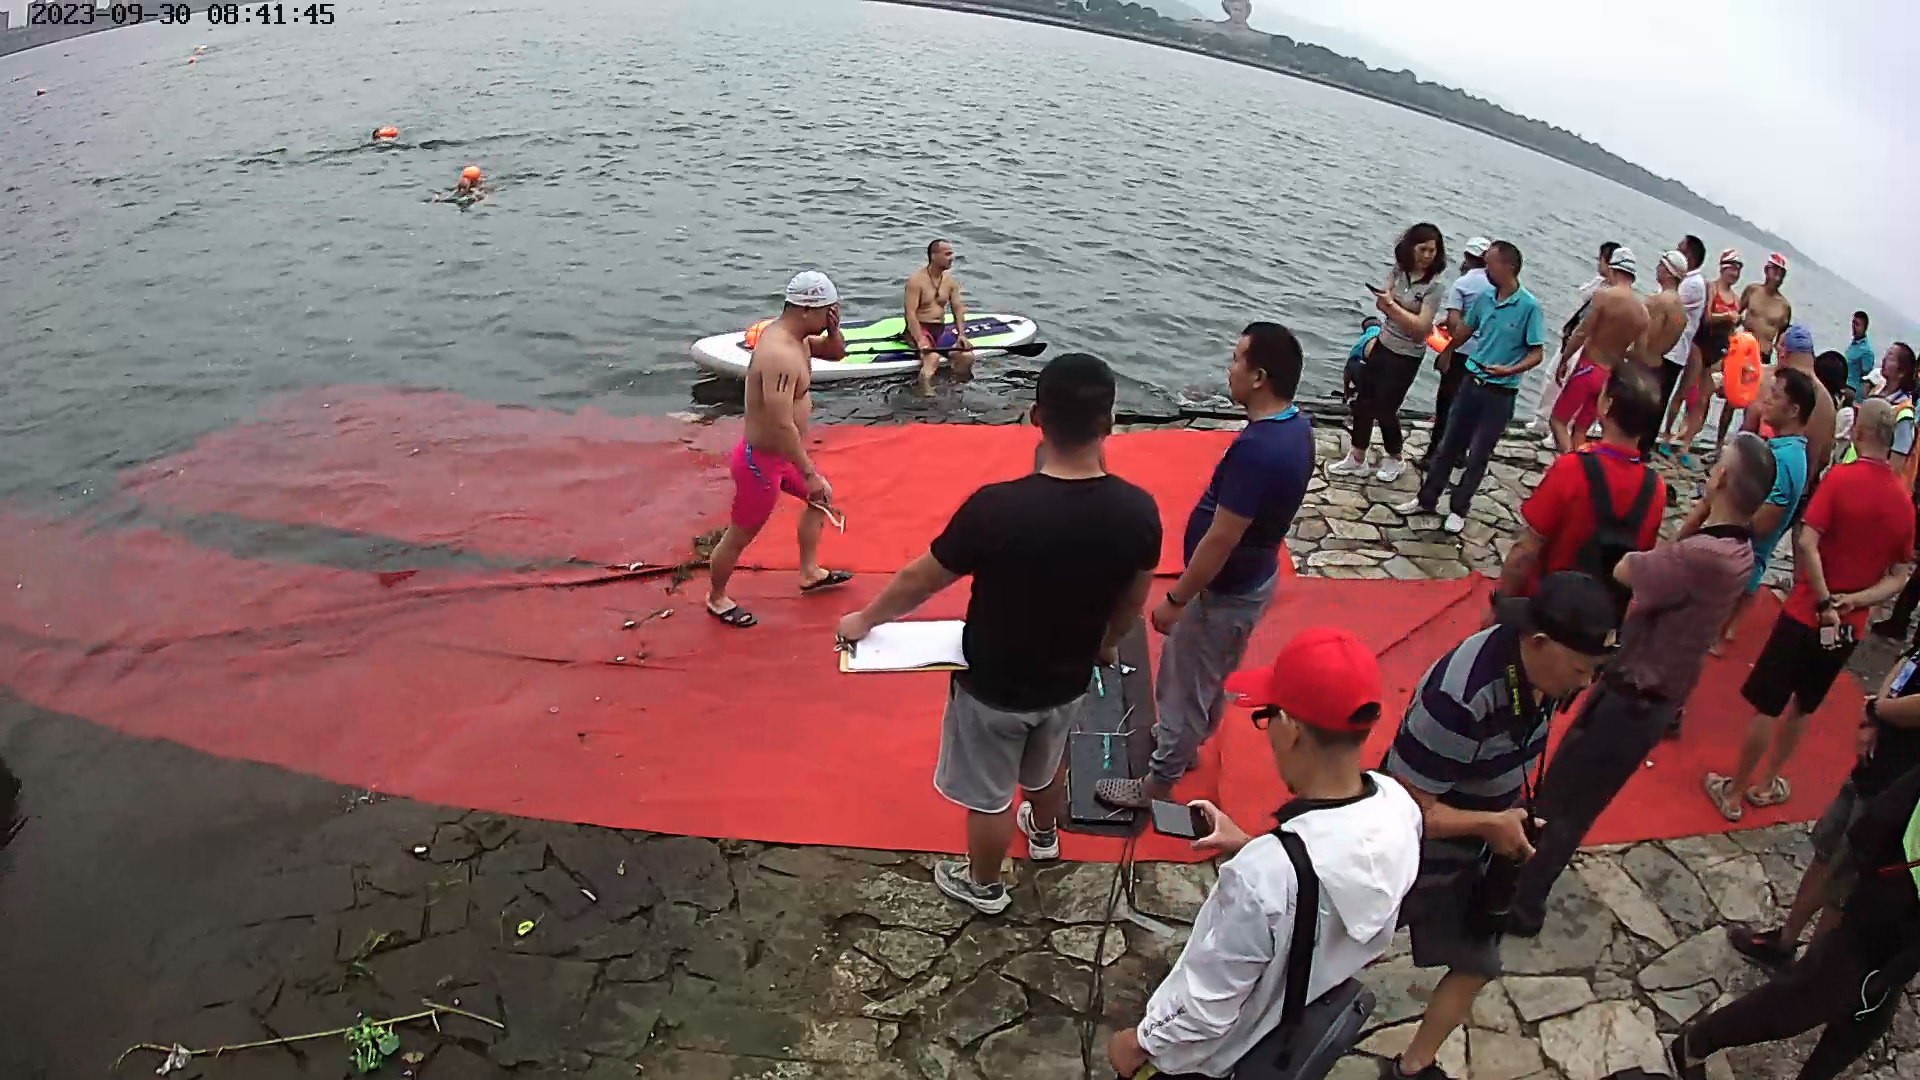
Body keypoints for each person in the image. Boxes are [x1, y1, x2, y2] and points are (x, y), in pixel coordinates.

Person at [834, 354, 1162, 914]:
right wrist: (1106, 643)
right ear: (1109, 423)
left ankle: (984, 885)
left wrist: (864, 620)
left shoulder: (996, 508)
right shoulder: (1138, 511)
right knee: (1046, 766)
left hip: (993, 685)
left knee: (989, 796)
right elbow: (1133, 600)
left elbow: (921, 578)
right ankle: (1044, 835)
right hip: (1068, 680)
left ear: (1036, 417)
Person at [1106, 629, 1422, 1079]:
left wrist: (1140, 1041)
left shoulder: (1262, 878)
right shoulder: (1399, 806)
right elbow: (1336, 878)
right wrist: (1255, 845)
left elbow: (1205, 1007)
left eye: (1266, 714)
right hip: (1296, 1021)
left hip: (1219, 1060)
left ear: (1290, 729)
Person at [1506, 434, 1772, 934]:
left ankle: (1520, 900)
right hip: (1655, 693)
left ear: (1721, 478)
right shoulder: (1737, 549)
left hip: (1633, 697)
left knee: (1563, 800)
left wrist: (1696, 513)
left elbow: (1628, 569)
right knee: (1574, 799)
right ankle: (1524, 881)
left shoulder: (1704, 555)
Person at [1379, 573, 1620, 1080]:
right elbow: (1403, 808)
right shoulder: (1459, 698)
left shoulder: (1542, 674)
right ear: (1539, 642)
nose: (1585, 685)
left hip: (1476, 848)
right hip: (1407, 857)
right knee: (1337, 953)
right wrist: (1492, 824)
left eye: (1594, 672)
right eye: (1581, 669)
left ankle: (1412, 1067)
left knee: (1477, 964)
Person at [1093, 324, 1315, 810]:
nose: (1229, 369)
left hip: (1224, 590)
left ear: (1259, 376)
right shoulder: (1296, 428)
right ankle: (1184, 741)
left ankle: (1158, 782)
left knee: (1185, 683)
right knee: (1208, 675)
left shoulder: (1259, 449)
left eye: (1237, 360)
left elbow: (1222, 537)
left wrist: (1178, 598)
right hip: (1248, 580)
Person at [1705, 397, 1915, 821]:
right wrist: (1856, 599)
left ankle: (1735, 791)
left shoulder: (1841, 479)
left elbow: (1807, 540)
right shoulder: (1902, 502)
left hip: (1805, 611)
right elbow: (1899, 574)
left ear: (1859, 433)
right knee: (1804, 705)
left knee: (1769, 703)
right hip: (1848, 624)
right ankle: (1767, 783)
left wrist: (1823, 597)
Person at [1669, 759, 1920, 1080]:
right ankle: (1696, 1043)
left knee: (1867, 1014)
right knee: (1814, 995)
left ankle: (1700, 1043)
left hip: (1902, 895)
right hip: (1899, 893)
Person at [1728, 610, 1920, 972]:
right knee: (1825, 854)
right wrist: (1873, 716)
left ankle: (1811, 971)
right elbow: (1907, 661)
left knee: (1844, 884)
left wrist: (1876, 709)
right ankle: (1786, 941)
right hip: (1872, 764)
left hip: (1896, 787)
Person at [704, 271, 851, 628]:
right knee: (740, 534)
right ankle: (716, 598)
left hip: (785, 457)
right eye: (827, 312)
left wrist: (833, 329)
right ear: (806, 310)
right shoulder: (779, 353)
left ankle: (809, 572)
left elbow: (836, 353)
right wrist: (808, 473)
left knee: (822, 499)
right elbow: (781, 421)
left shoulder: (799, 339)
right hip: (760, 462)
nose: (830, 317)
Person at [1395, 241, 1545, 535]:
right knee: (1448, 445)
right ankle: (1426, 498)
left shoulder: (1529, 307)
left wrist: (1510, 370)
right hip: (1471, 381)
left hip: (1500, 392)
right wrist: (1448, 350)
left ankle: (1458, 508)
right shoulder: (1485, 298)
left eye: (1491, 264)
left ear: (1509, 267)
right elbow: (1466, 329)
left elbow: (1536, 353)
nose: (1485, 269)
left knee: (1478, 454)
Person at [1495, 365, 1666, 609]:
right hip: (1601, 611)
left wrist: (1501, 602)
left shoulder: (1571, 469)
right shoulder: (1655, 488)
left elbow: (1526, 550)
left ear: (1607, 405)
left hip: (1548, 604)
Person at [1711, 366, 1817, 655]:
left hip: (1740, 565)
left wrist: (1723, 517)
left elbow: (1764, 523)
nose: (1767, 400)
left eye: (1775, 395)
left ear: (1793, 410)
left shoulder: (1786, 459)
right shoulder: (1788, 451)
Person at [1331, 224, 1446, 483]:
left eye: (1432, 250)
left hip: (1407, 355)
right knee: (1363, 401)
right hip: (1384, 342)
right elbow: (1382, 301)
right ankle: (1357, 455)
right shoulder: (1399, 272)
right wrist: (1393, 309)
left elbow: (1421, 327)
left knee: (1386, 408)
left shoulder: (1434, 287)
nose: (1428, 255)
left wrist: (1392, 308)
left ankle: (1395, 457)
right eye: (1423, 249)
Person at [1548, 247, 1647, 453]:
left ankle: (1572, 464)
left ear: (1613, 270)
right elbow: (1639, 355)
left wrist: (1565, 358)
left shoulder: (1603, 297)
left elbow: (1582, 332)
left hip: (1588, 367)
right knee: (1581, 430)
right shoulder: (1642, 312)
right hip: (1608, 377)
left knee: (1558, 421)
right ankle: (1582, 464)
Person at [1528, 242, 1619, 441]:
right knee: (1551, 376)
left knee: (1569, 384)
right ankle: (1541, 420)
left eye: (1601, 260)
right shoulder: (1599, 284)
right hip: (1572, 334)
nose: (1598, 263)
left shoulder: (1613, 294)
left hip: (1586, 342)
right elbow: (1583, 294)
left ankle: (1560, 432)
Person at [1669, 249, 1745, 460]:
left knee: (1703, 400)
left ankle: (1686, 442)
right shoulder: (1710, 287)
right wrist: (1727, 316)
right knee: (1684, 390)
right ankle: (1667, 433)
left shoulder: (1736, 299)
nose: (1735, 274)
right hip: (1700, 344)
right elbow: (1707, 317)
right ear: (1723, 268)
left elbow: (1731, 329)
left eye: (1738, 270)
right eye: (1732, 269)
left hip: (1718, 350)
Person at [1424, 235, 1493, 466]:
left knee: (1446, 405)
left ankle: (1433, 454)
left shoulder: (1463, 283)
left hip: (1461, 352)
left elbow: (1455, 325)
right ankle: (1459, 454)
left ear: (1467, 257)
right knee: (1470, 406)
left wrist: (1447, 351)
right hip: (1485, 355)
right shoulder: (1497, 285)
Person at [1631, 251, 1691, 458]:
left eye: (1660, 265)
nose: (1657, 268)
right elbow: (1667, 343)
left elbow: (1644, 339)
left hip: (1642, 364)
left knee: (1629, 418)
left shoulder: (1658, 301)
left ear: (1668, 272)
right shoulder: (1681, 310)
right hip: (1659, 365)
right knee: (1647, 419)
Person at [1651, 236, 1709, 453]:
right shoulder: (1686, 281)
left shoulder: (1693, 284)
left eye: (1680, 249)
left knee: (1658, 398)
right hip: (1665, 346)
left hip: (1674, 351)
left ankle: (1645, 444)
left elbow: (1667, 303)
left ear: (1689, 257)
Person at [905, 239, 975, 393]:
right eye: (947, 254)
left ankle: (954, 386)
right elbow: (910, 313)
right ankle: (925, 392)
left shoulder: (949, 281)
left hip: (940, 329)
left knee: (967, 357)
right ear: (934, 256)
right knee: (932, 358)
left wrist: (961, 335)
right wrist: (920, 339)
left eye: (951, 253)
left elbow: (957, 309)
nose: (952, 258)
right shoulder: (916, 281)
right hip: (921, 329)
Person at [1740, 252, 1796, 369]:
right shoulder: (1752, 290)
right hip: (1742, 348)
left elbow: (1781, 343)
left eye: (1782, 273)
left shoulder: (1784, 306)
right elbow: (1735, 316)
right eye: (1775, 270)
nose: (1778, 276)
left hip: (1763, 356)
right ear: (1766, 270)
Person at [1343, 316, 1383, 403]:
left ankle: (1347, 396)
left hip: (1371, 380)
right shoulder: (1386, 337)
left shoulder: (1363, 339)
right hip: (1390, 382)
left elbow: (1350, 363)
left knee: (1350, 364)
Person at [1844, 311, 1876, 398]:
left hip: (1852, 390)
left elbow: (1866, 378)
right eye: (1853, 323)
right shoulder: (1854, 344)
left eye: (1857, 324)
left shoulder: (1866, 351)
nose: (1853, 327)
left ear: (1864, 328)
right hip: (1843, 384)